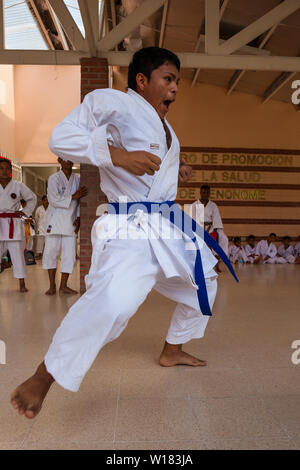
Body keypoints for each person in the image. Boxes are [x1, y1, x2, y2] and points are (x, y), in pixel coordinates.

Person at [10, 47, 236, 419]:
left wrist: (174, 171)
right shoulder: (113, 101)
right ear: (142, 81)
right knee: (114, 302)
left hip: (164, 226)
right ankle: (45, 375)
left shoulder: (166, 129)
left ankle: (172, 349)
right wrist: (115, 155)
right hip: (130, 227)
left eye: (177, 81)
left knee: (205, 284)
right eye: (168, 79)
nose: (175, 88)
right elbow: (61, 138)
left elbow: (149, 163)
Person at [42, 159, 87, 295]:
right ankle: (51, 286)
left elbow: (80, 201)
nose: (68, 161)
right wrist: (73, 196)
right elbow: (53, 199)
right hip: (54, 221)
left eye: (70, 158)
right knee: (51, 253)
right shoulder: (53, 178)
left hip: (70, 221)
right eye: (64, 158)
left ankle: (63, 285)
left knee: (69, 254)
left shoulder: (78, 179)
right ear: (59, 160)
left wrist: (79, 217)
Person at [0, 157, 37, 291]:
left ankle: (21, 283)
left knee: (17, 253)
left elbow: (32, 198)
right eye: (1, 168)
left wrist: (25, 211)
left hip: (13, 222)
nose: (4, 171)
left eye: (6, 168)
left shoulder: (18, 185)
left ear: (11, 170)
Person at [191, 185, 229, 272]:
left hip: (211, 228)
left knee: (224, 239)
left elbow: (216, 219)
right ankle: (196, 265)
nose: (206, 194)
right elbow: (192, 221)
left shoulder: (213, 205)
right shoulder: (194, 205)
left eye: (207, 193)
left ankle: (216, 261)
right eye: (204, 192)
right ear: (200, 193)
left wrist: (214, 231)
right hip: (198, 229)